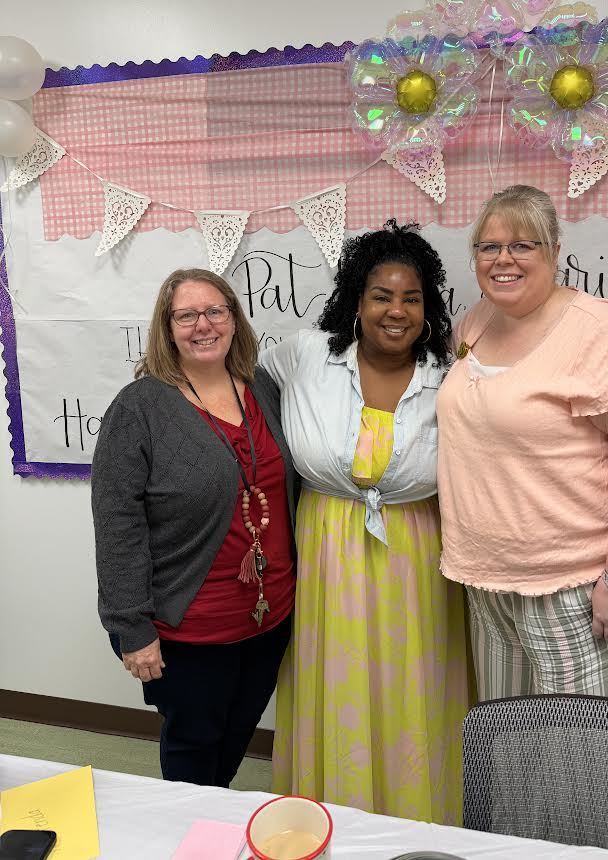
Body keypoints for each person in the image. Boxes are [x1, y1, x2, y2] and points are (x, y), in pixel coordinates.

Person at [260, 220, 470, 824]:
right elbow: (237, 381)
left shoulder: (449, 375)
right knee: (337, 684)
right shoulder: (304, 355)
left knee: (413, 687)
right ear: (356, 300)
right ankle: (334, 814)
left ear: (428, 307)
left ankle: (416, 812)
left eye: (412, 297)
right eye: (381, 295)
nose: (396, 311)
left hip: (417, 552)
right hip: (325, 545)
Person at [437, 185, 608, 706]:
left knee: (592, 755)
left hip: (580, 583)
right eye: (489, 246)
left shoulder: (600, 331)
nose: (504, 259)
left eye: (523, 245)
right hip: (491, 580)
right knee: (516, 745)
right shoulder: (477, 322)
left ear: (554, 250)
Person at [91, 268, 298, 787]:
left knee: (233, 739)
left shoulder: (262, 387)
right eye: (186, 315)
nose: (202, 325)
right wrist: (131, 630)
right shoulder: (139, 407)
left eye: (215, 311)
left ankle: (212, 825)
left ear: (234, 319)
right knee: (192, 751)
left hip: (268, 619)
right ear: (167, 328)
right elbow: (117, 523)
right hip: (190, 629)